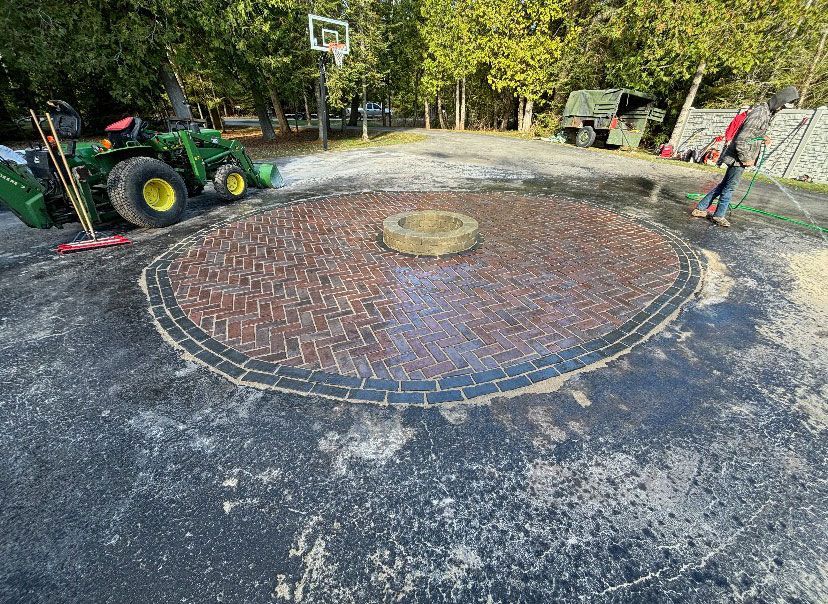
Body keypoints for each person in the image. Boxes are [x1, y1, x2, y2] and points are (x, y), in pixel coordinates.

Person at [690, 86, 799, 227]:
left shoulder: (765, 113)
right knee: (729, 188)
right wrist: (746, 158)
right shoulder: (760, 114)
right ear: (779, 102)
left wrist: (763, 136)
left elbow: (751, 133)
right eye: (782, 107)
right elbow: (742, 140)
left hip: (738, 158)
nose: (781, 110)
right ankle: (719, 216)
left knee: (724, 185)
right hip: (737, 159)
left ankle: (700, 209)